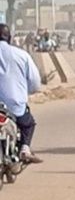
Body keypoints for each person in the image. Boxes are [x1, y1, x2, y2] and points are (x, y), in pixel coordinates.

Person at [0, 24, 42, 164]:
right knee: (28, 124)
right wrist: (26, 91)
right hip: (15, 106)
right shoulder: (21, 55)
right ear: (10, 38)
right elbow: (35, 82)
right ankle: (25, 149)